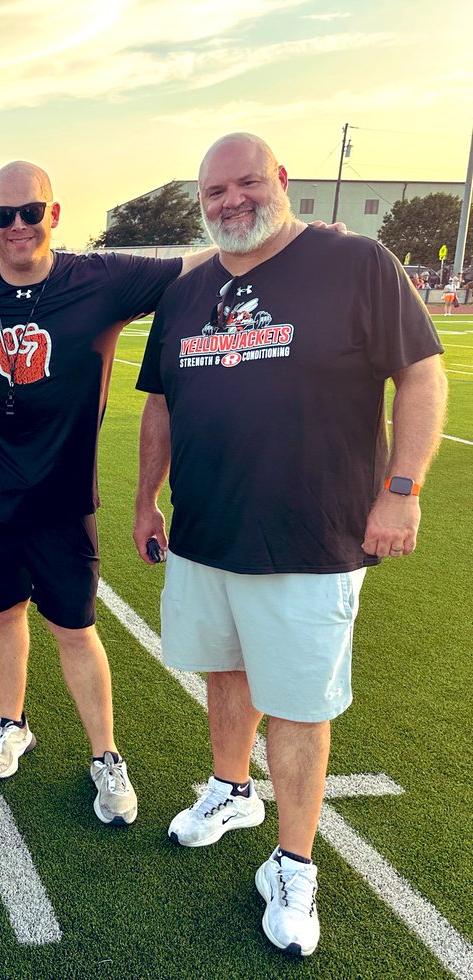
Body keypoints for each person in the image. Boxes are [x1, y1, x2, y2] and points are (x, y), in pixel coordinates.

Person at [133, 132, 446, 956]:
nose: (231, 202)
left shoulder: (355, 262)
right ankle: (232, 790)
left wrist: (403, 488)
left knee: (301, 707)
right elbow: (161, 402)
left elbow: (421, 370)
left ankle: (293, 861)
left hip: (313, 534)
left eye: (245, 185)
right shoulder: (190, 288)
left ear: (280, 179)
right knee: (225, 670)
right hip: (205, 532)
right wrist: (146, 500)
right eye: (213, 194)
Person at [0, 162, 215, 825]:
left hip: (62, 497)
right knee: (2, 614)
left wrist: (296, 241)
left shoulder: (99, 278)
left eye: (29, 212)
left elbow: (201, 260)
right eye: (2, 215)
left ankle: (106, 756)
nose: (16, 226)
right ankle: (11, 722)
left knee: (76, 629)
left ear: (53, 213)